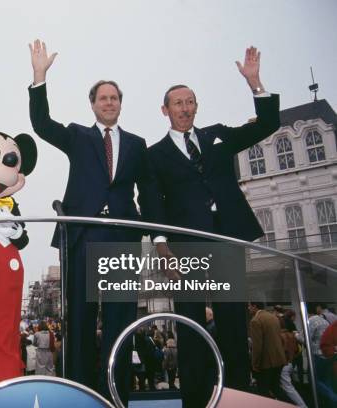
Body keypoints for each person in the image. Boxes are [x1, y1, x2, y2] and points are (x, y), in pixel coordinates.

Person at [27, 39, 160, 403]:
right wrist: (39, 77)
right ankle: (80, 394)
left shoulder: (136, 144)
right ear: (93, 104)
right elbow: (41, 124)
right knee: (80, 320)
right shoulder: (78, 136)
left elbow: (147, 192)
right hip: (82, 235)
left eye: (114, 98)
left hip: (122, 237)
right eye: (103, 98)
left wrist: (157, 236)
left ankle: (116, 394)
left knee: (120, 320)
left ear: (120, 103)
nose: (109, 103)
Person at [149, 46, 280, 407]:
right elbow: (152, 204)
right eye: (178, 103)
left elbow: (269, 124)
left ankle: (235, 396)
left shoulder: (218, 136)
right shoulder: (154, 155)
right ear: (165, 110)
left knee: (233, 325)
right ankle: (194, 399)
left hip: (224, 241)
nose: (185, 108)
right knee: (190, 325)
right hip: (185, 248)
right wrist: (162, 247)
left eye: (190, 101)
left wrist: (255, 83)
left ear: (196, 106)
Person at [248, 302, 287, 400]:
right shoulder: (273, 317)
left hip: (266, 362)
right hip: (279, 359)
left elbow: (257, 346)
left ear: (254, 306)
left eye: (249, 306)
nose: (248, 308)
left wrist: (255, 364)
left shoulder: (255, 321)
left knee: (263, 392)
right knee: (276, 388)